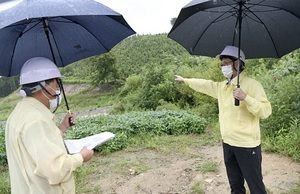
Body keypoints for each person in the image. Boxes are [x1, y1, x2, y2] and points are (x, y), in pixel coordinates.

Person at [175, 45, 272, 194]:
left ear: (237, 63)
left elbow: (265, 111)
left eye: (226, 63)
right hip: (228, 143)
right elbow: (205, 84)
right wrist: (186, 80)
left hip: (247, 146)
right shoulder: (223, 87)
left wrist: (246, 98)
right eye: (222, 65)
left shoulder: (252, 85)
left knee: (256, 187)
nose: (223, 67)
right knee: (236, 186)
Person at [5, 57, 94, 194]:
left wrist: (62, 127)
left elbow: (36, 147)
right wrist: (81, 156)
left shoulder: (19, 113)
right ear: (43, 86)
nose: (58, 89)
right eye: (56, 83)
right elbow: (54, 169)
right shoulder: (36, 120)